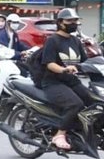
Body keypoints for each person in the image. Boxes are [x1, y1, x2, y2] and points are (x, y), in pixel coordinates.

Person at [40, 8, 94, 150]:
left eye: (75, 20)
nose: (73, 23)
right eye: (69, 20)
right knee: (75, 104)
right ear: (60, 22)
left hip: (72, 82)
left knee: (93, 101)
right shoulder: (52, 40)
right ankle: (60, 134)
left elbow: (86, 61)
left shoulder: (75, 40)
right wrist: (64, 69)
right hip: (53, 82)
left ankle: (80, 130)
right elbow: (49, 63)